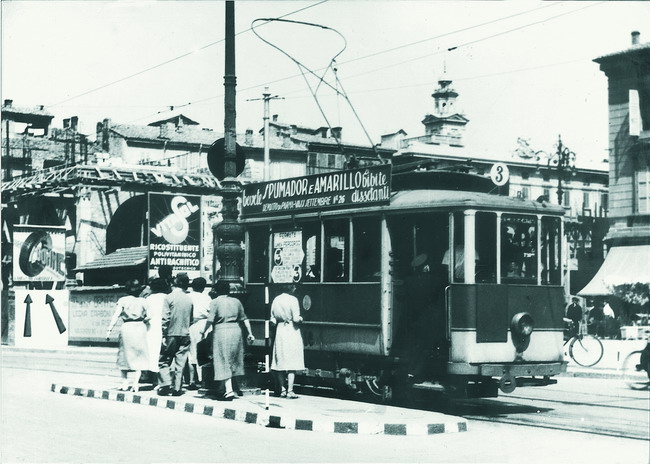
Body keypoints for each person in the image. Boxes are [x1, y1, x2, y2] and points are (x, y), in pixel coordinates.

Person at [203, 280, 255, 401]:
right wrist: (250, 333)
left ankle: (228, 390)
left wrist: (204, 331)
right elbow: (244, 318)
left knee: (222, 359)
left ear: (216, 290)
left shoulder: (215, 302)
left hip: (221, 331)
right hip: (236, 330)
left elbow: (210, 319)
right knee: (233, 359)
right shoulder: (236, 301)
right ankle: (224, 388)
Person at [106, 279, 150, 392]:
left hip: (127, 327)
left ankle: (125, 382)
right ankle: (136, 384)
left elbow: (116, 315)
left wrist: (109, 330)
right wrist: (143, 321)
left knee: (124, 355)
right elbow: (149, 316)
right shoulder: (143, 301)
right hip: (140, 327)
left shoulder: (123, 300)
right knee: (139, 355)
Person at [157, 273, 193, 396]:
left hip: (171, 333)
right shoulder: (189, 299)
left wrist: (163, 334)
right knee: (180, 362)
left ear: (175, 283)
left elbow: (165, 318)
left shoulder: (169, 297)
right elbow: (191, 319)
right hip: (185, 333)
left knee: (164, 360)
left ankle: (166, 384)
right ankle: (177, 388)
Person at [270, 284, 305, 399]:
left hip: (280, 331)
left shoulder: (276, 299)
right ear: (290, 288)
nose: (295, 288)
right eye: (294, 287)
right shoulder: (293, 300)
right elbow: (296, 318)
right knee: (292, 361)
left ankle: (282, 390)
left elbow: (272, 319)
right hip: (291, 330)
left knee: (280, 361)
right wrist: (301, 319)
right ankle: (290, 390)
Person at [187, 277, 212, 389]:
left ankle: (191, 380)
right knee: (203, 353)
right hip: (204, 324)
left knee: (191, 352)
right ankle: (203, 379)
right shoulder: (207, 298)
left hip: (191, 324)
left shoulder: (188, 296)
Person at [143, 278, 168, 383]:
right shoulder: (167, 297)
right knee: (162, 354)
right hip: (164, 328)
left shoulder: (148, 299)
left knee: (151, 352)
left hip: (150, 328)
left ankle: (151, 378)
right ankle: (162, 379)